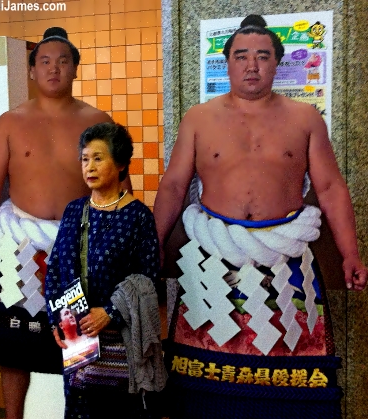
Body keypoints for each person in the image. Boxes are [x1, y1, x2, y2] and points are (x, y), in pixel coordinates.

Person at [154, 14, 367, 419]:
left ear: (277, 63)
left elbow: (330, 189)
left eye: (262, 56)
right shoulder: (198, 118)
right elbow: (173, 187)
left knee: (289, 381)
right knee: (204, 382)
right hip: (211, 261)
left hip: (286, 263)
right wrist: (152, 248)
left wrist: (350, 254)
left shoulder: (305, 118)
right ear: (227, 62)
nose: (252, 64)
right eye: (241, 56)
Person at [0, 28, 132, 419]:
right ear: (32, 70)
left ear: (75, 68)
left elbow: (118, 184)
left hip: (79, 246)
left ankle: (76, 413)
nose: (54, 68)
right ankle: (13, 416)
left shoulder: (97, 121)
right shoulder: (9, 122)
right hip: (21, 247)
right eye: (45, 61)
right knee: (13, 342)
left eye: (63, 61)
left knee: (77, 341)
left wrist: (122, 237)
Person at [45, 122, 166, 419]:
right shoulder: (74, 211)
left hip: (121, 338)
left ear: (121, 162)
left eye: (98, 158)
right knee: (79, 407)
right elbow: (55, 269)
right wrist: (56, 321)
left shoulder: (138, 216)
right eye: (85, 159)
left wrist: (109, 312)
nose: (90, 166)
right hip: (78, 337)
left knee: (119, 411)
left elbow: (148, 280)